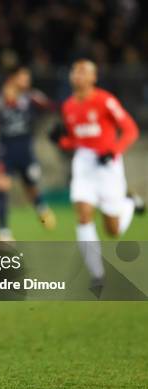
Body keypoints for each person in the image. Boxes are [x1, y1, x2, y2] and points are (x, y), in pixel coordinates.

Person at [50, 59, 144, 289]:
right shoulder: (69, 105)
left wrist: (114, 151)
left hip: (108, 164)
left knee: (112, 230)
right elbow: (75, 139)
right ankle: (97, 275)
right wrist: (60, 141)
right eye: (74, 71)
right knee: (83, 215)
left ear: (94, 77)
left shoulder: (105, 101)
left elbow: (131, 130)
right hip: (83, 162)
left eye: (83, 72)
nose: (77, 75)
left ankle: (129, 202)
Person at [0, 66, 57, 241]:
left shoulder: (32, 97)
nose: (27, 81)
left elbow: (51, 107)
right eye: (24, 77)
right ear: (12, 78)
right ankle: (4, 232)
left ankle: (41, 208)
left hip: (26, 151)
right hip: (5, 151)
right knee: (1, 187)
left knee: (30, 186)